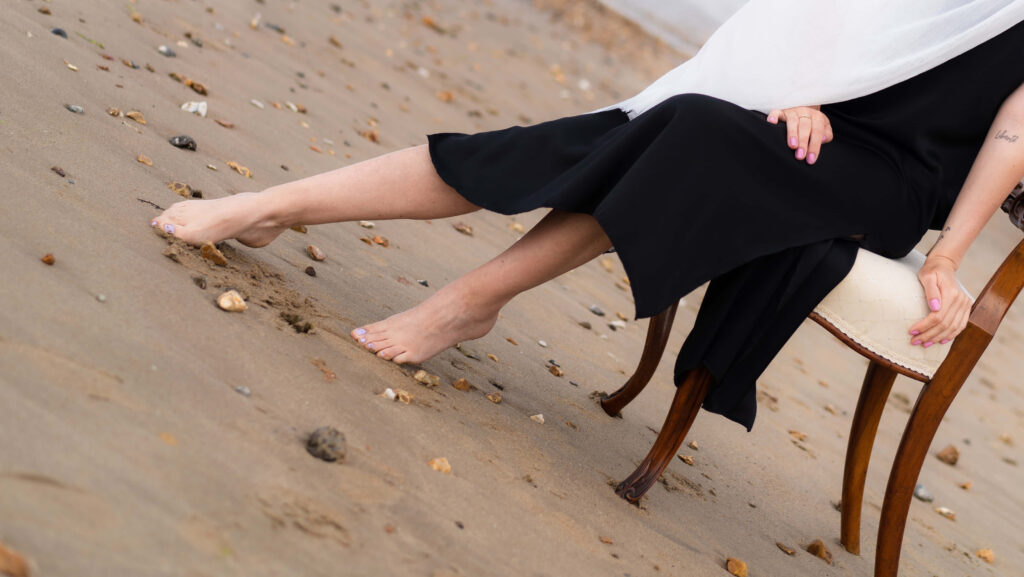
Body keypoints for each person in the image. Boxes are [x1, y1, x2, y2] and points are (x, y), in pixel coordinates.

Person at [149, 4, 1024, 430]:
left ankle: (466, 297)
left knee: (688, 139)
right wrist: (806, 93)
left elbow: (1013, 133)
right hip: (806, 110)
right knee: (627, 137)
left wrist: (947, 257)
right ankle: (281, 206)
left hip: (886, 177)